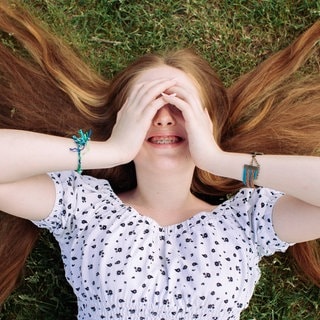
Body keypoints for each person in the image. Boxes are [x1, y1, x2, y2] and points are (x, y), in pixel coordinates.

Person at [0, 2, 319, 319]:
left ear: (208, 123)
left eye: (182, 106)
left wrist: (217, 159)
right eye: (148, 105)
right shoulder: (84, 207)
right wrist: (112, 149)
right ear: (122, 120)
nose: (164, 119)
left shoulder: (248, 220)